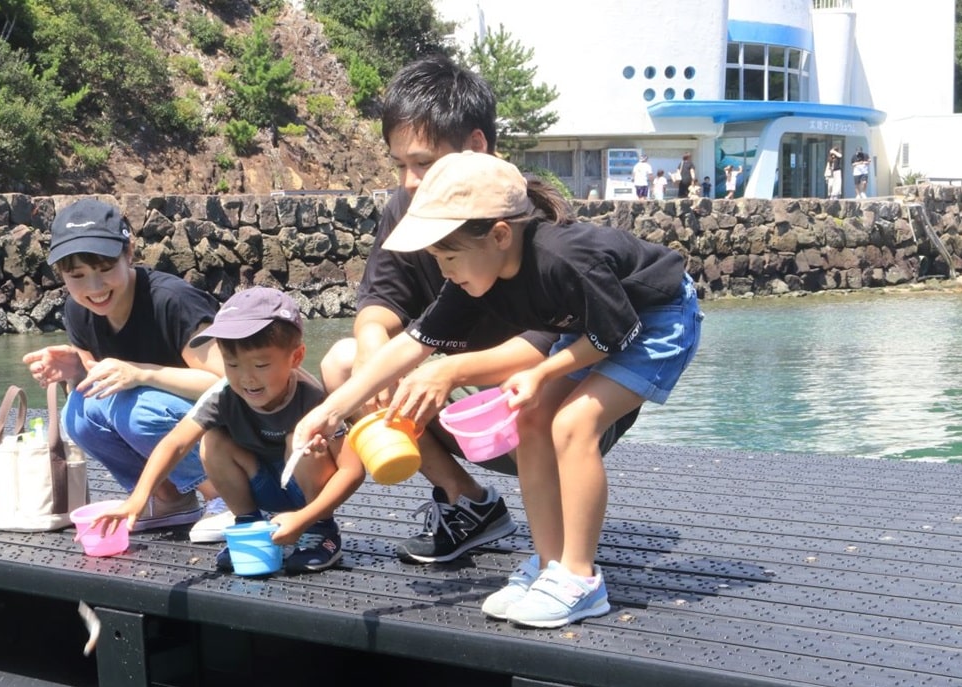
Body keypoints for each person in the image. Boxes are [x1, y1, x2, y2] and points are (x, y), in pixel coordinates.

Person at [293, 151, 701, 628]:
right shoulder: (473, 277)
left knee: (573, 424)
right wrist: (332, 410)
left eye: (448, 257)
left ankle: (580, 578)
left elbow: (616, 335)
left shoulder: (565, 258)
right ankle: (550, 565)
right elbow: (410, 345)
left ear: (500, 235)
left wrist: (543, 374)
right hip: (595, 326)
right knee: (529, 420)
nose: (444, 271)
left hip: (657, 321)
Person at [319, 54, 639, 564]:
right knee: (344, 361)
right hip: (471, 397)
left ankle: (563, 561)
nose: (407, 180)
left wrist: (450, 370)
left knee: (539, 407)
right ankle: (469, 504)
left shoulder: (525, 213)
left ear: (474, 146)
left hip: (549, 385)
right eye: (399, 164)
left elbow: (554, 341)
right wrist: (370, 361)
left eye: (422, 163)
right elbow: (380, 302)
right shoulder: (407, 208)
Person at [92, 287, 364, 575]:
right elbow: (176, 443)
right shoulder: (223, 395)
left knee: (299, 438)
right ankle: (248, 524)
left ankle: (321, 531)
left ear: (296, 357)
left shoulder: (313, 400)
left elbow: (352, 470)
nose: (246, 378)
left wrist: (305, 518)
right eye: (231, 364)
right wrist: (138, 498)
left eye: (260, 364)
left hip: (308, 493)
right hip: (262, 485)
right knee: (213, 440)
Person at [23, 199, 231, 538]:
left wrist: (142, 373)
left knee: (138, 410)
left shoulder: (172, 301)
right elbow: (96, 397)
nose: (94, 287)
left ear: (129, 253)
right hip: (170, 424)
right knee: (78, 412)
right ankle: (170, 499)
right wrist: (75, 370)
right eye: (76, 275)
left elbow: (232, 382)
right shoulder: (79, 312)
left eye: (105, 268)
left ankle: (227, 496)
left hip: (230, 437)